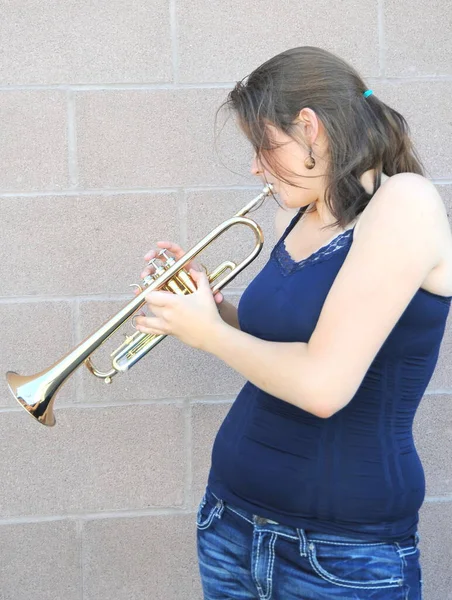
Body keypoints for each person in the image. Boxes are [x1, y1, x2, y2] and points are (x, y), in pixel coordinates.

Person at [134, 46, 452, 599]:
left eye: (263, 145)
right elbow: (283, 348)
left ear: (311, 128)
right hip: (229, 523)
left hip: (341, 554)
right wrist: (210, 306)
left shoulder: (406, 202)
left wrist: (207, 333)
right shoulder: (297, 212)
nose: (256, 166)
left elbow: (324, 385)